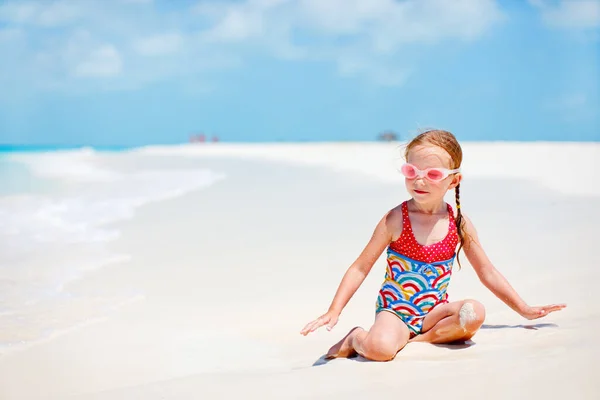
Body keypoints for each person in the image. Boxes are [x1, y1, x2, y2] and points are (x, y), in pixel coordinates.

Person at [300, 129, 566, 361]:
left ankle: (416, 341)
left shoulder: (458, 223)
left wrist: (524, 309)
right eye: (411, 171)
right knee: (380, 351)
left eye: (433, 174)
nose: (419, 180)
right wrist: (334, 310)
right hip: (396, 312)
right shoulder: (396, 220)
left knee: (474, 312)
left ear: (453, 180)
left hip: (434, 313)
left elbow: (487, 271)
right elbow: (360, 267)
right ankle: (357, 338)